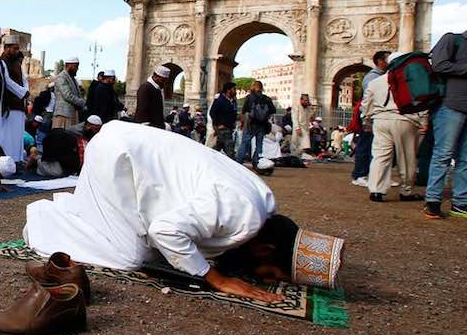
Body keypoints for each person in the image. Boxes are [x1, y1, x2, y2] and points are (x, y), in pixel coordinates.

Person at [24, 121, 298, 302]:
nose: (264, 278)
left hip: (131, 147)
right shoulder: (240, 213)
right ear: (265, 249)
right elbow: (164, 230)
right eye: (271, 273)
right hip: (118, 157)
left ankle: (86, 211)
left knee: (161, 252)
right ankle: (44, 218)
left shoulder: (263, 202)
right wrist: (216, 278)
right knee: (131, 256)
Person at [362, 53, 427, 203]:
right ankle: (406, 191)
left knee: (380, 156)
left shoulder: (375, 82)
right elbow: (421, 101)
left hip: (380, 120)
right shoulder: (410, 80)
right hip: (404, 120)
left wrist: (367, 118)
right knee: (407, 158)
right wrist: (424, 120)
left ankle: (376, 191)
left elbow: (366, 104)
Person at [424, 31, 467, 219]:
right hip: (450, 105)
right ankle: (432, 201)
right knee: (443, 154)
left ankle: (461, 202)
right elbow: (439, 65)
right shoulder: (453, 39)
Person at [351, 51, 391, 186]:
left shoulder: (381, 76)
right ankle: (360, 175)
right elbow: (368, 100)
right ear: (380, 61)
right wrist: (366, 119)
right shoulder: (372, 78)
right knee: (365, 146)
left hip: (379, 116)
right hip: (371, 117)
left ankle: (377, 176)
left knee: (378, 148)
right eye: (388, 59)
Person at [27, 116, 102, 178]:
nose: (97, 132)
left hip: (70, 160)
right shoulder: (74, 133)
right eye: (95, 129)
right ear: (88, 126)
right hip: (60, 156)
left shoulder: (93, 137)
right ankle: (37, 160)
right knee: (58, 172)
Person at [2, 34, 31, 161]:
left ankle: (17, 160)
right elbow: (6, 81)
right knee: (9, 137)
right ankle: (8, 161)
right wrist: (22, 92)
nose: (17, 51)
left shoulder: (16, 63)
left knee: (17, 137)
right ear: (7, 48)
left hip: (19, 105)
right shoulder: (2, 61)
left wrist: (25, 91)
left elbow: (23, 79)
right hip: (9, 104)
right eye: (14, 48)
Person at [235, 81, 276, 165]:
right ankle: (256, 161)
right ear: (261, 88)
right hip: (262, 125)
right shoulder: (266, 98)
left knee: (245, 143)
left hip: (251, 123)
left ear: (253, 87)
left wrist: (242, 123)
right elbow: (273, 110)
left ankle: (239, 161)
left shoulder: (250, 97)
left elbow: (244, 110)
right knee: (259, 145)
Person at [52, 57, 85, 129]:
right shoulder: (61, 77)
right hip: (63, 114)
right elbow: (67, 95)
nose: (77, 69)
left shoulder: (73, 79)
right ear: (69, 65)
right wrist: (82, 102)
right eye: (76, 66)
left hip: (72, 114)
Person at [209, 82, 238, 158]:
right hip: (223, 129)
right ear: (228, 90)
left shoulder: (233, 101)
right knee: (230, 151)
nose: (236, 91)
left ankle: (209, 159)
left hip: (229, 128)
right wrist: (217, 125)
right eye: (234, 89)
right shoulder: (220, 100)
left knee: (217, 148)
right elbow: (212, 112)